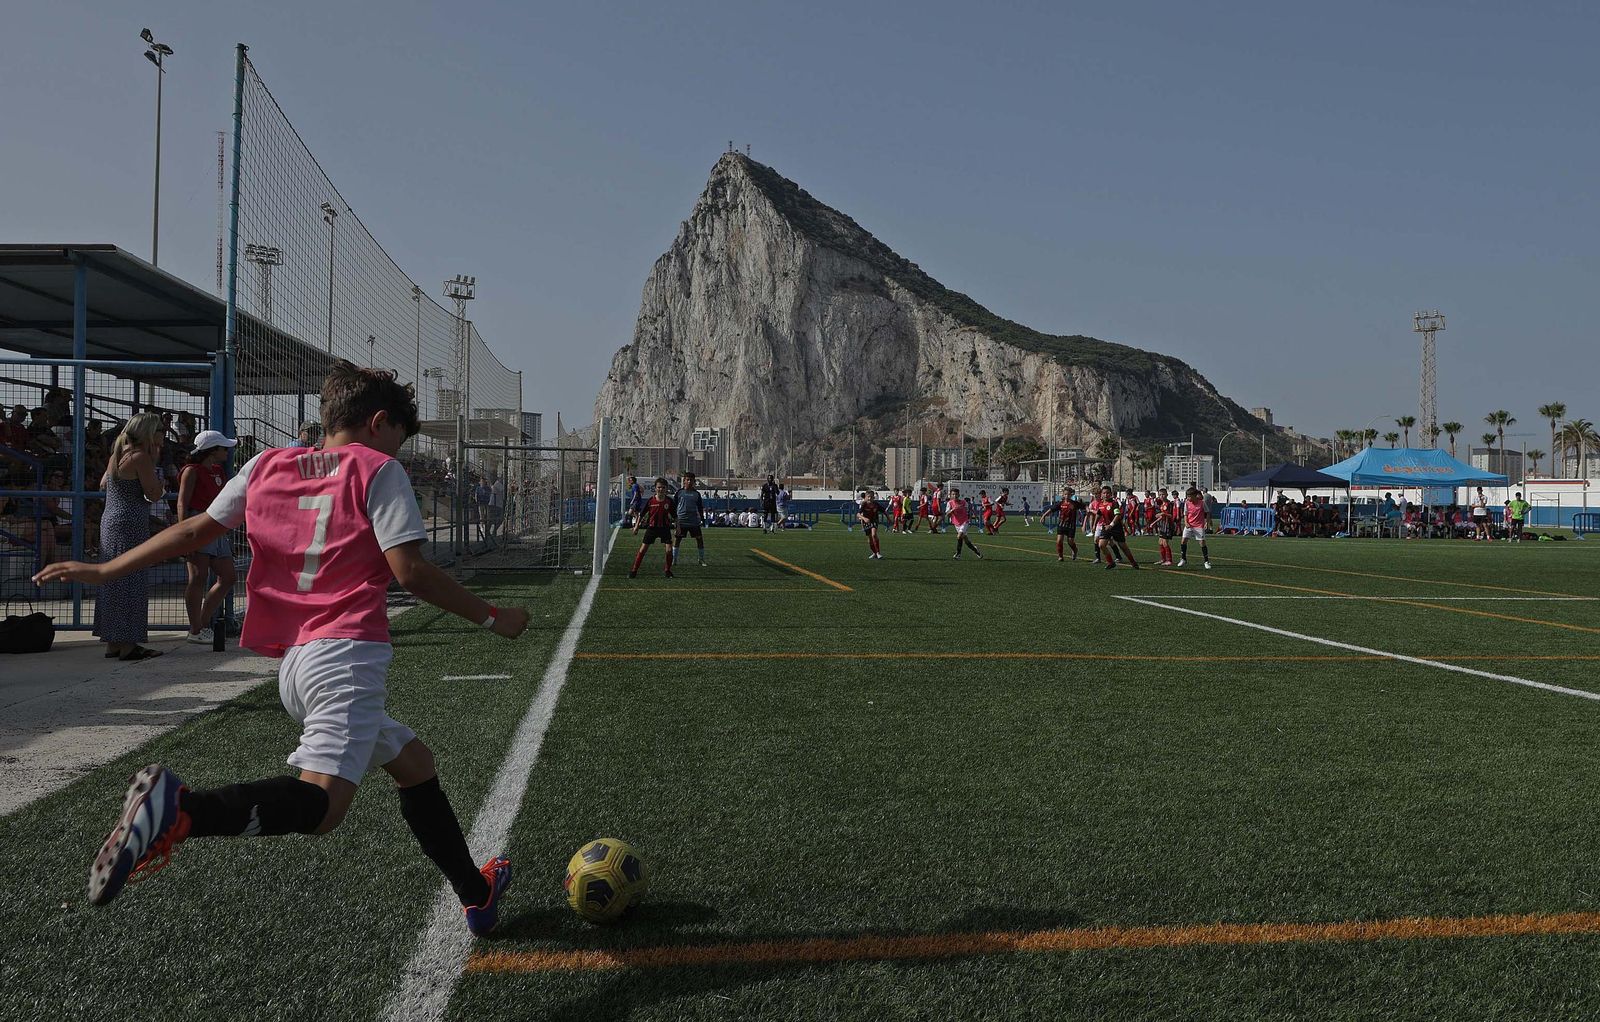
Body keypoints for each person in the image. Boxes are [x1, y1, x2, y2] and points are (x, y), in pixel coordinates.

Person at [36, 362, 532, 933]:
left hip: (296, 663)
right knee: (322, 809)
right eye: (400, 434)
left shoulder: (265, 463)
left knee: (413, 764)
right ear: (378, 423)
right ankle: (181, 811)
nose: (401, 448)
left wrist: (104, 570)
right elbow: (411, 571)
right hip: (346, 654)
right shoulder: (379, 470)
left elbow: (196, 530)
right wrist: (496, 618)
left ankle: (475, 891)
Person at [91, 412, 168, 660]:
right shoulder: (141, 457)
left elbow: (104, 484)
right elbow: (154, 494)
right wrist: (160, 483)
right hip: (130, 522)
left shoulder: (119, 455)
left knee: (114, 580)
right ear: (149, 432)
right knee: (132, 580)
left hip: (111, 520)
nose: (162, 436)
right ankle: (129, 645)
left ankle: (113, 641)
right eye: (159, 431)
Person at [176, 430, 239, 645]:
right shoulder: (191, 471)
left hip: (216, 524)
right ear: (212, 450)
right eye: (223, 448)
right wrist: (185, 534)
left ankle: (200, 625)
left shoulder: (218, 470)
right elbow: (183, 502)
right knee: (198, 577)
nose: (226, 451)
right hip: (198, 523)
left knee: (228, 577)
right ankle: (196, 629)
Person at [630, 477, 677, 578]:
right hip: (652, 528)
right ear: (655, 488)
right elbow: (641, 515)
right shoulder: (651, 501)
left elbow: (675, 516)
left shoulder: (669, 501)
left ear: (666, 489)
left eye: (663, 488)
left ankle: (667, 571)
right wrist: (636, 527)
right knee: (642, 550)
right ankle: (634, 570)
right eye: (659, 487)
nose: (661, 489)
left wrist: (679, 528)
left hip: (665, 529)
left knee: (669, 550)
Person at [1093, 485, 1139, 570]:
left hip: (1116, 527)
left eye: (1107, 493)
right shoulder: (1100, 504)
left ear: (1110, 494)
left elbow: (1117, 515)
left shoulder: (1114, 503)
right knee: (1101, 545)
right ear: (1101, 494)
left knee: (1123, 547)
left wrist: (1111, 525)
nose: (1106, 495)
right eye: (1104, 493)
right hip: (1106, 527)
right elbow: (1098, 514)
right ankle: (1111, 562)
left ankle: (1133, 562)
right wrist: (1094, 525)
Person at [673, 472, 708, 566]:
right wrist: (674, 520)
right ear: (684, 481)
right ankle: (674, 559)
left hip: (693, 521)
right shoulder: (679, 492)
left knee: (699, 539)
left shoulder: (696, 494)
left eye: (691, 480)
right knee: (677, 540)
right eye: (687, 479)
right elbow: (674, 506)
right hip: (681, 521)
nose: (689, 481)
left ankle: (701, 559)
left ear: (694, 481)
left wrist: (702, 519)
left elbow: (700, 507)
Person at [1178, 486, 1212, 569]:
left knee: (1202, 543)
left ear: (1195, 496)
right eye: (1187, 496)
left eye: (1189, 496)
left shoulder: (1202, 503)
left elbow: (1207, 512)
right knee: (1183, 541)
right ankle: (1183, 559)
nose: (1188, 498)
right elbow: (1186, 514)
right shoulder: (1187, 503)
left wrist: (1207, 522)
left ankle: (1206, 561)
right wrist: (1186, 523)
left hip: (1199, 525)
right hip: (1189, 525)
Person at [946, 486, 982, 559]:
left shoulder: (963, 502)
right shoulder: (949, 503)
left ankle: (958, 554)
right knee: (965, 540)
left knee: (959, 536)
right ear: (950, 495)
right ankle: (976, 550)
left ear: (959, 495)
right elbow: (947, 515)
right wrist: (952, 510)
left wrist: (960, 508)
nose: (954, 496)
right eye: (953, 494)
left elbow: (966, 512)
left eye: (956, 494)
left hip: (964, 522)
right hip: (956, 523)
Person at [1051, 486, 1083, 562]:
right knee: (1059, 541)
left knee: (1070, 541)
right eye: (1065, 494)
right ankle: (1060, 556)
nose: (1067, 496)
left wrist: (1088, 509)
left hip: (1071, 526)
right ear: (1063, 495)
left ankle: (1075, 550)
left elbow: (1084, 506)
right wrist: (1044, 516)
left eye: (1068, 494)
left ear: (1071, 495)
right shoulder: (1061, 503)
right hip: (1061, 525)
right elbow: (1051, 509)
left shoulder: (1074, 504)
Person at [1152, 490, 1176, 566]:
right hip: (1162, 525)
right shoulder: (1161, 504)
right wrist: (1156, 519)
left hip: (1168, 525)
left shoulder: (1169, 504)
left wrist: (1163, 514)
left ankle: (1169, 560)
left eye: (1163, 494)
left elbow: (1172, 515)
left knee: (1165, 543)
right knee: (1160, 542)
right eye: (1160, 495)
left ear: (1167, 494)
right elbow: (1160, 516)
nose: (1161, 496)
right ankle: (1163, 559)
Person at [857, 489, 884, 559]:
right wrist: (864, 518)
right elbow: (858, 514)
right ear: (866, 497)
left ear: (873, 497)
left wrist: (889, 518)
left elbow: (883, 511)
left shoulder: (876, 504)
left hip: (874, 521)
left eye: (871, 497)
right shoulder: (864, 504)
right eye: (868, 497)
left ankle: (878, 553)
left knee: (874, 534)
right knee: (869, 538)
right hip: (867, 522)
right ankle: (874, 553)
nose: (870, 498)